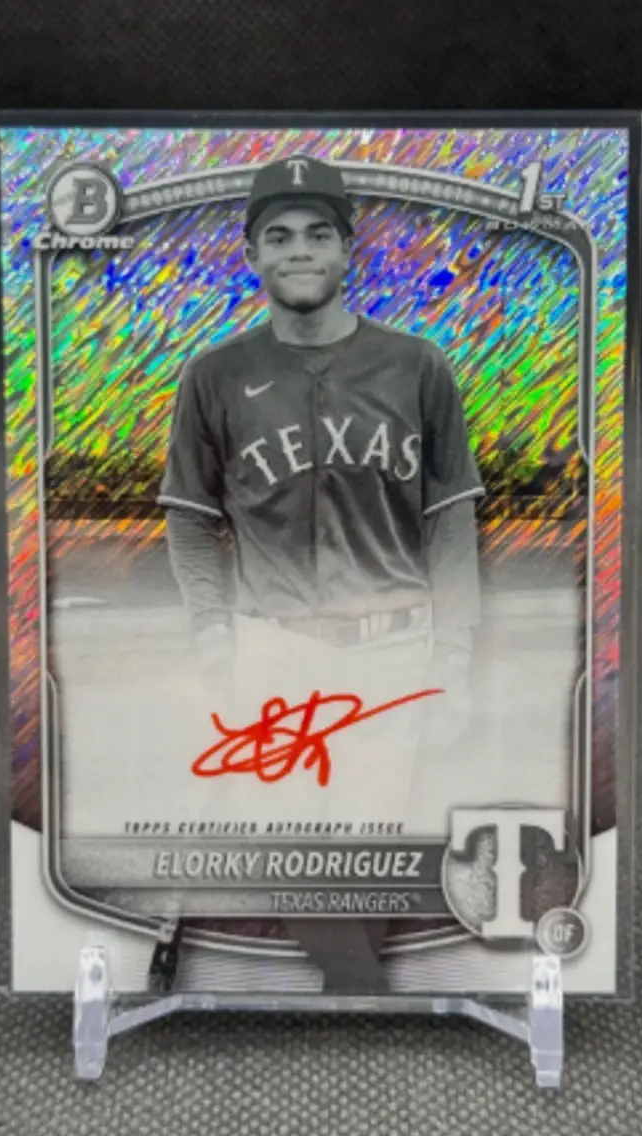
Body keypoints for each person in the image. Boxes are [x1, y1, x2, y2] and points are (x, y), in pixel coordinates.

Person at [152, 154, 484, 993]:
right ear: (252, 255)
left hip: (392, 646)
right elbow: (189, 519)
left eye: (317, 234)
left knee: (367, 849)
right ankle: (364, 996)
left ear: (347, 251)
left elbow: (451, 519)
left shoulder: (418, 365)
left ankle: (353, 991)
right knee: (291, 845)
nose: (299, 250)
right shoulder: (215, 375)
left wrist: (454, 653)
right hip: (274, 647)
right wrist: (213, 634)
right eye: (278, 236)